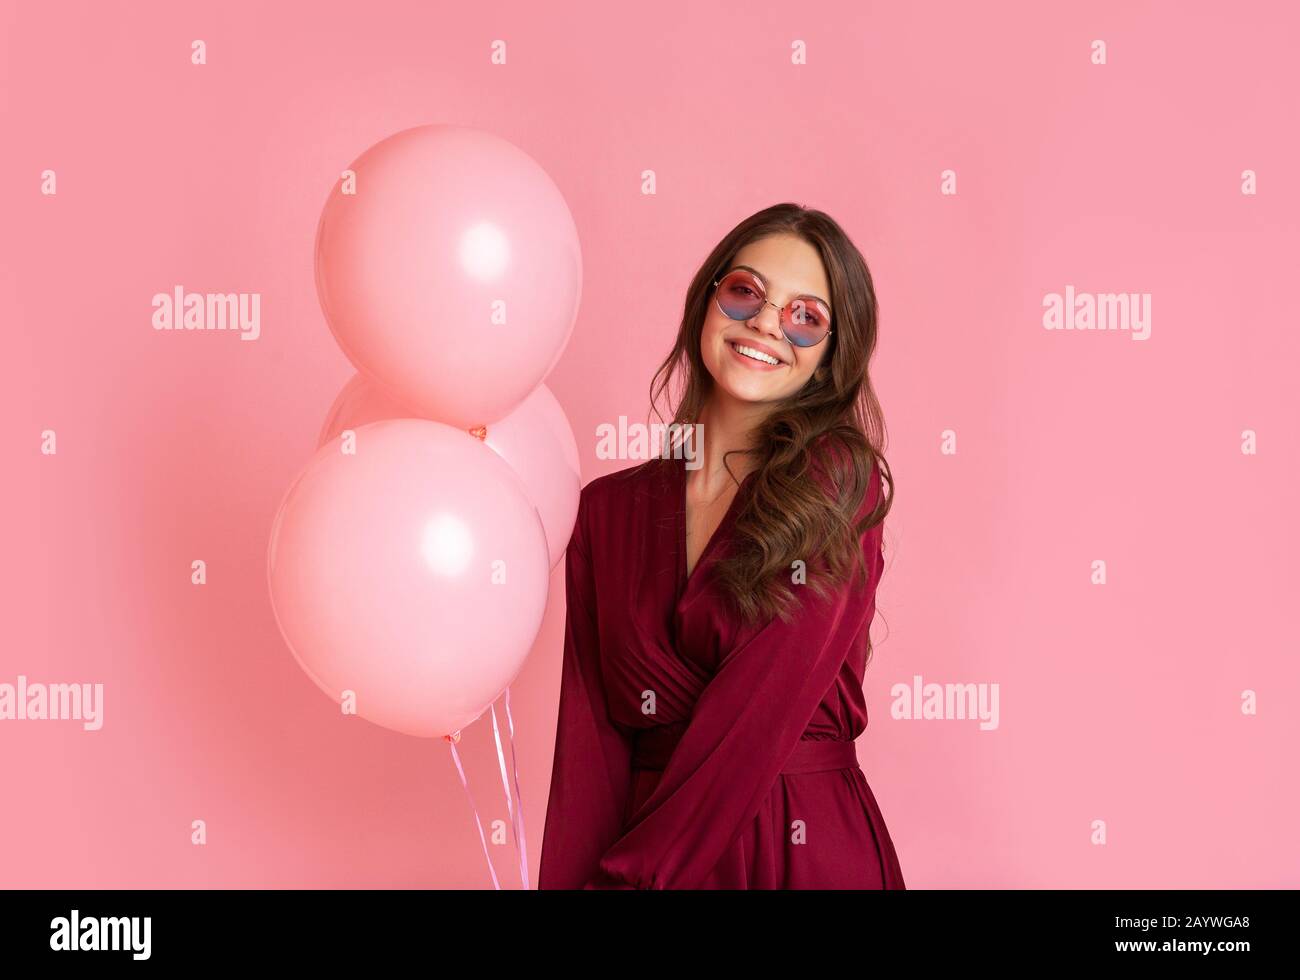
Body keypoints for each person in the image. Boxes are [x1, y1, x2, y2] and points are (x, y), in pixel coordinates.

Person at [538, 203, 905, 889]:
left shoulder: (836, 483)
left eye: (806, 317)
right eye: (746, 292)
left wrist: (627, 885)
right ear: (706, 301)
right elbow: (588, 755)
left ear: (831, 358)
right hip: (642, 855)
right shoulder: (606, 513)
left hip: (800, 851)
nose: (768, 322)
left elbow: (753, 721)